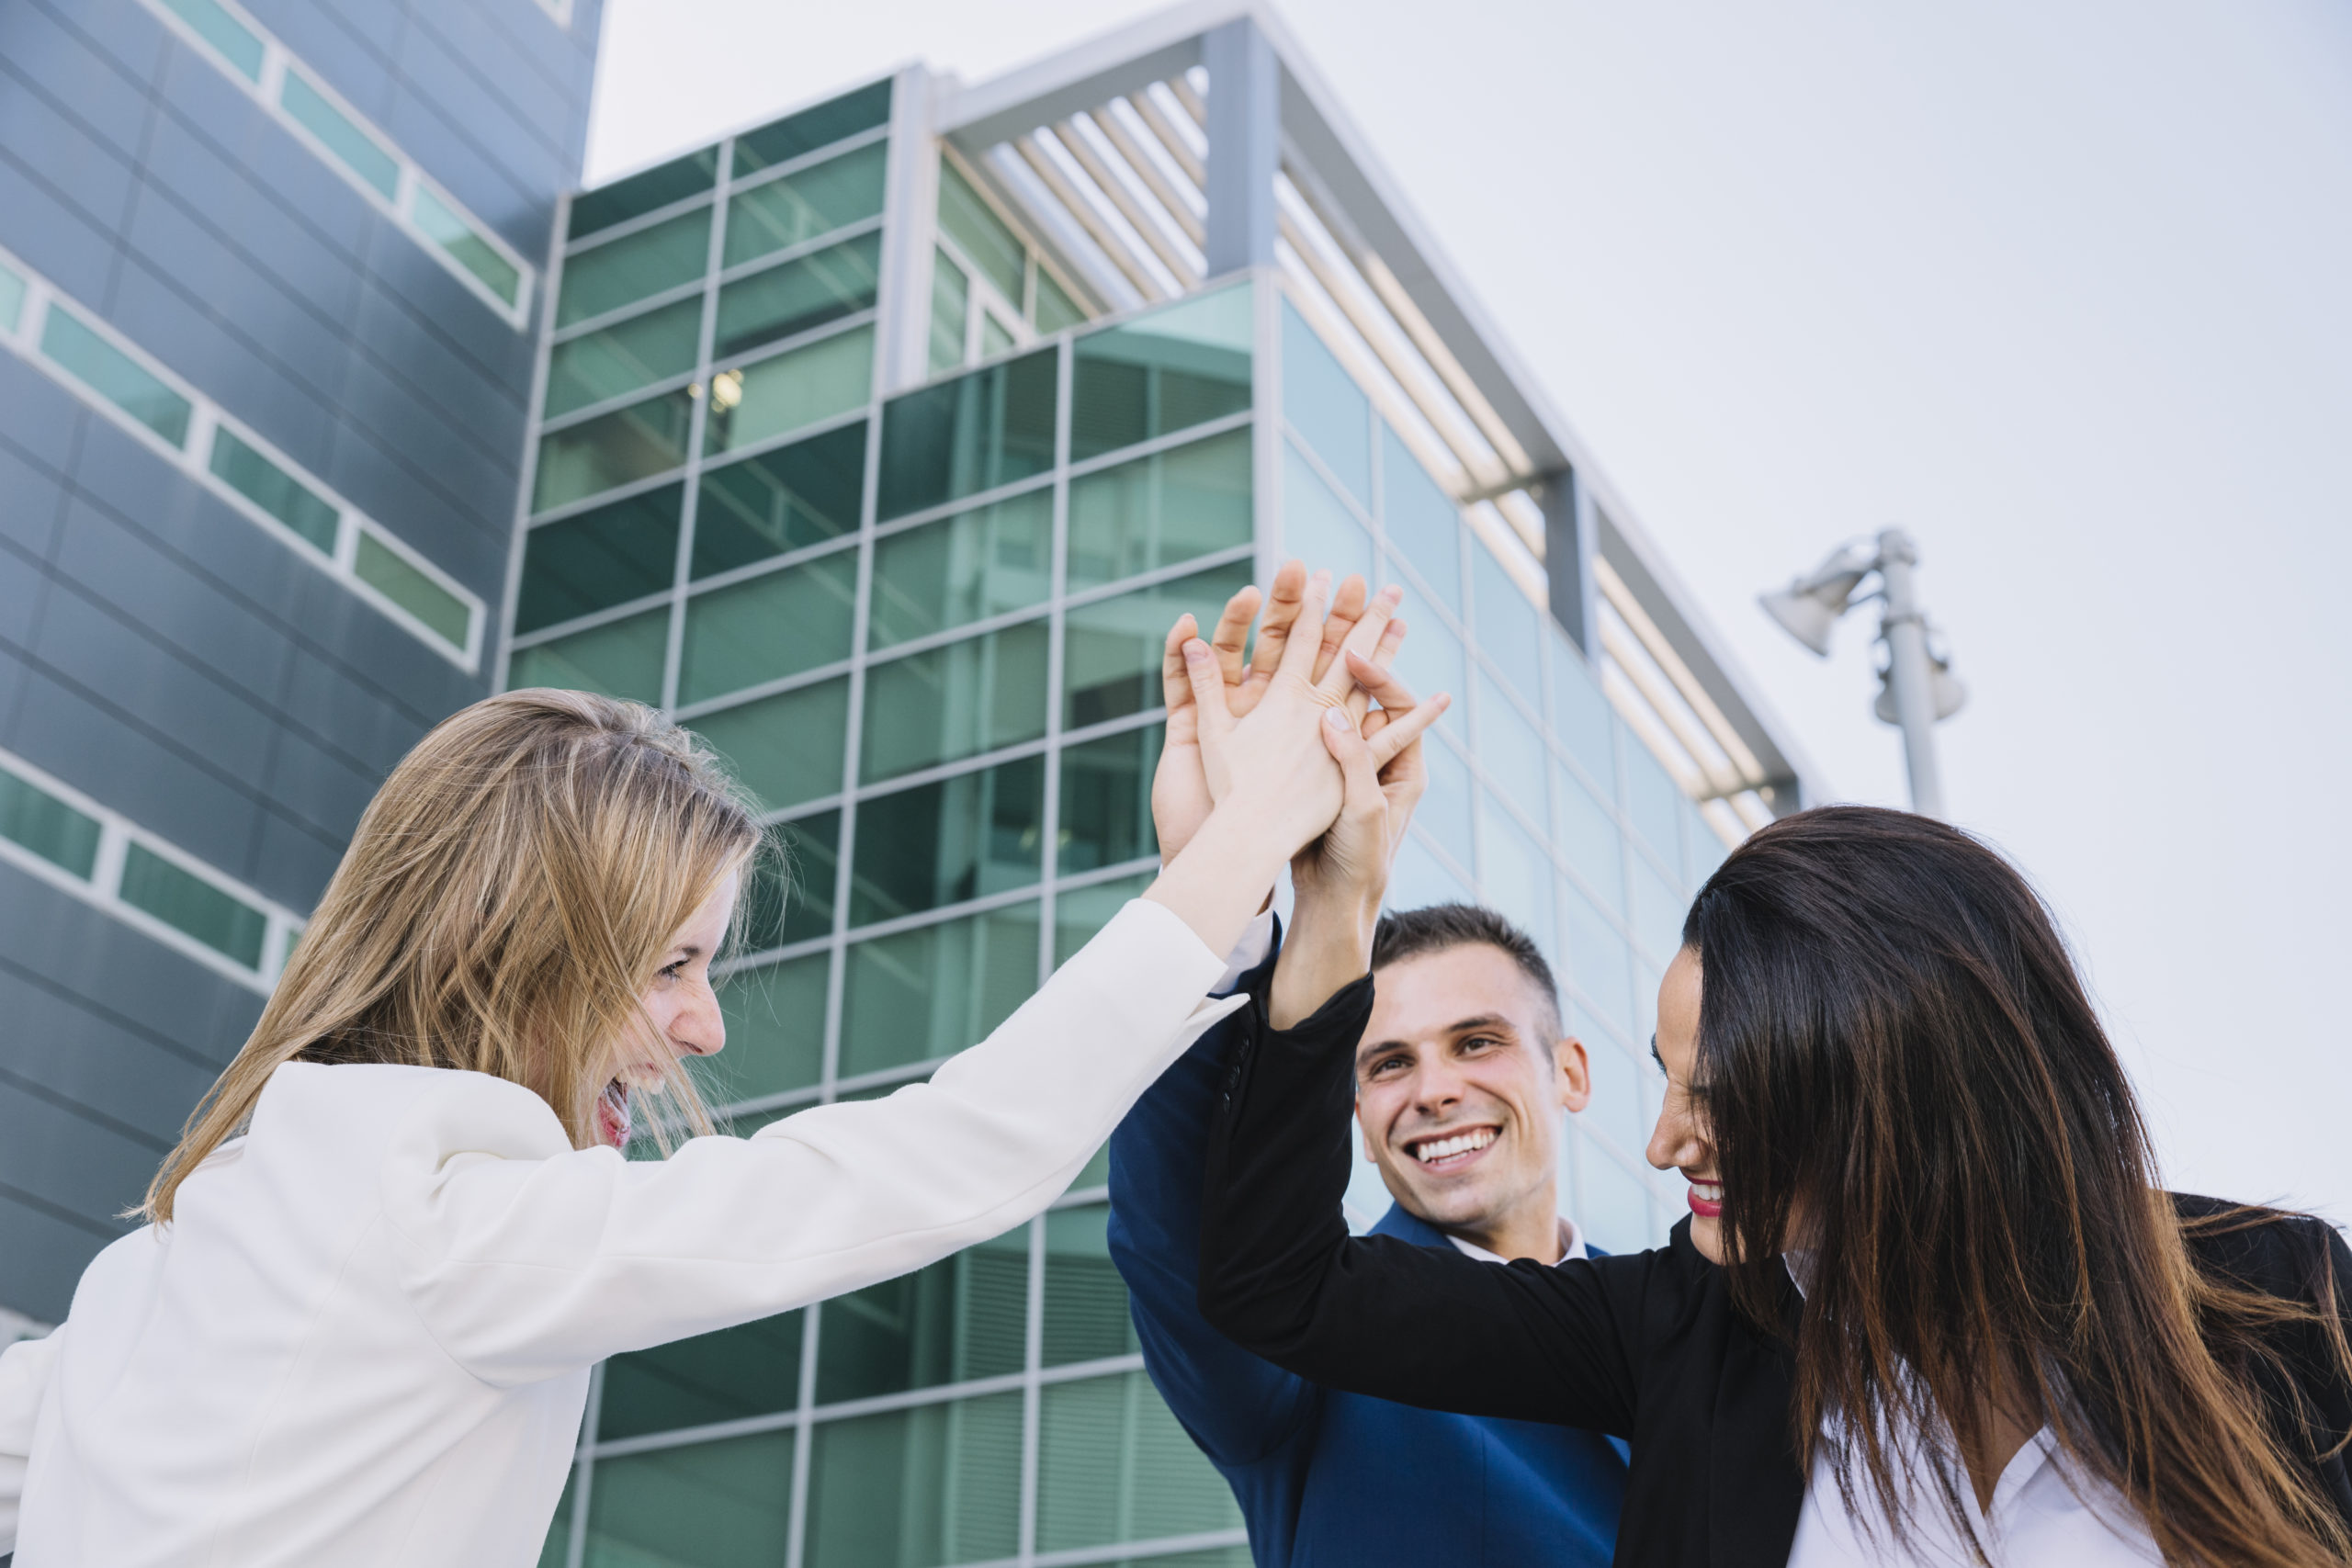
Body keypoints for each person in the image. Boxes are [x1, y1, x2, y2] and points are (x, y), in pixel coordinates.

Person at [0, 566, 1446, 1567]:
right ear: (520, 953)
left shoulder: (160, 1274)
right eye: (671, 964)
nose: (703, 1026)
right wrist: (1238, 843)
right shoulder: (447, 1232)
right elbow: (952, 1150)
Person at [1195, 795, 2352, 1568]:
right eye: (1666, 1080)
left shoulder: (2280, 1292)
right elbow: (1279, 1287)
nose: (1665, 1143)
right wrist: (1334, 909)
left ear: (1889, 1083)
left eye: (1719, 1097)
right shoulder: (1684, 1327)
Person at [1107, 567, 1626, 1566]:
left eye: (1476, 1042)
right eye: (1387, 1062)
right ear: (1351, 1107)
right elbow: (1182, 1244)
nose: (1433, 1090)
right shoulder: (1314, 1340)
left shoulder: (1693, 1319)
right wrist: (1216, 873)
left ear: (1569, 1071)